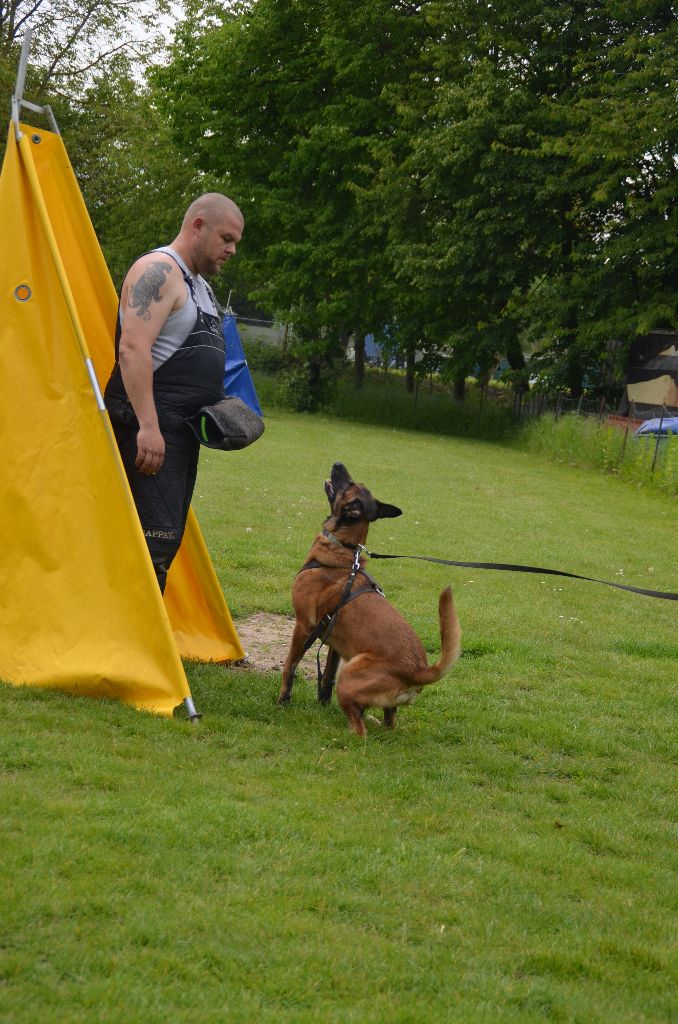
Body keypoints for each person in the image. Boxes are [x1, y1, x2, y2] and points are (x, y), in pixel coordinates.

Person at [104, 193, 244, 593]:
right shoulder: (159, 271)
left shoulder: (198, 285)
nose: (232, 250)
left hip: (180, 434)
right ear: (198, 225)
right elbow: (132, 348)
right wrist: (148, 427)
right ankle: (131, 650)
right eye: (227, 238)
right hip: (151, 429)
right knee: (149, 545)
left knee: (165, 540)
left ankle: (144, 646)